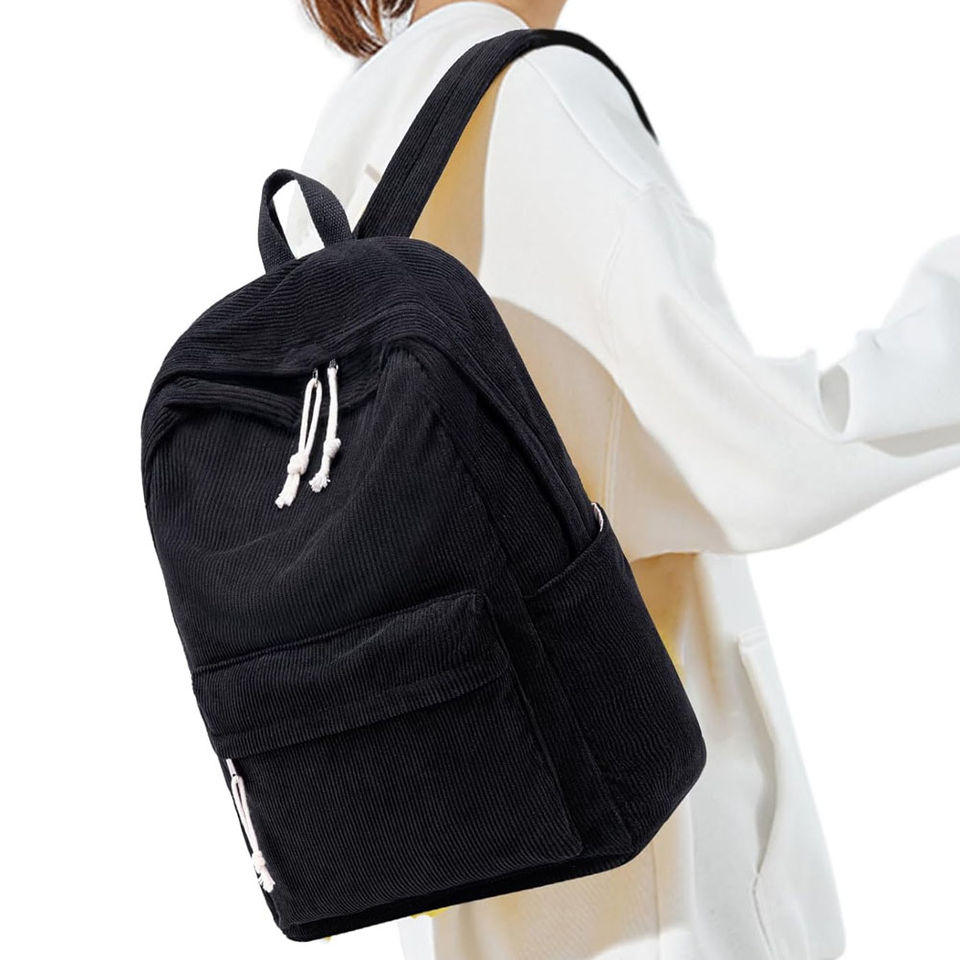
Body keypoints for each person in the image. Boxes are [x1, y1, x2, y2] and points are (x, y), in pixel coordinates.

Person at [288, 2, 960, 958]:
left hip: (490, 881)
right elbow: (763, 457)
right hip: (658, 885)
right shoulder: (537, 98)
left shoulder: (352, 138)